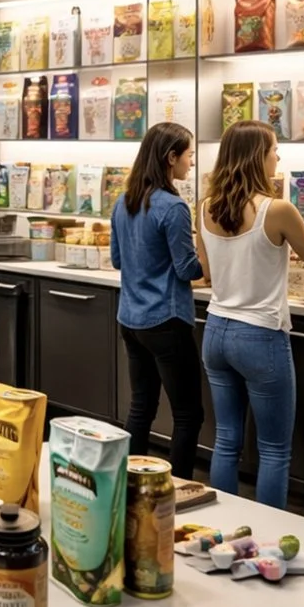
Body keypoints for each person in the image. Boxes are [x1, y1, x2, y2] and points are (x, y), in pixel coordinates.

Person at [194, 120, 304, 510]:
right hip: (260, 336)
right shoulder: (277, 209)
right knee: (274, 449)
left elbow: (208, 272)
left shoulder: (206, 208)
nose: (278, 156)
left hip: (216, 330)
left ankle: (223, 532)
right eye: (273, 149)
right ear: (255, 157)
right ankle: (268, 540)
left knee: (227, 440)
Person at [110, 122, 204, 477]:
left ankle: (131, 483)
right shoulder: (173, 207)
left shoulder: (124, 201)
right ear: (171, 158)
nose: (191, 164)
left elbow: (119, 260)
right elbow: (186, 270)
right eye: (189, 155)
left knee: (141, 407)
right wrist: (206, 257)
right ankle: (178, 489)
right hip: (166, 320)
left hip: (131, 320)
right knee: (188, 415)